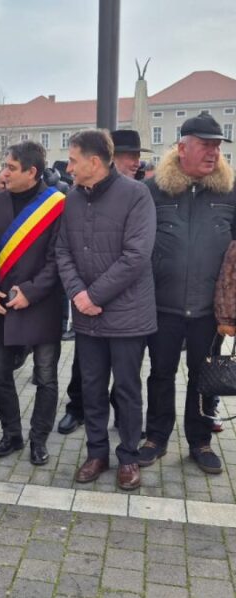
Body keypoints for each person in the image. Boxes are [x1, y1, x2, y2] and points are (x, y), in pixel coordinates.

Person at [56, 129, 157, 491]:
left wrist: (93, 295)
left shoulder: (136, 195)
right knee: (93, 387)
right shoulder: (71, 198)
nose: (68, 168)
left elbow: (136, 256)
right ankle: (96, 453)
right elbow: (63, 251)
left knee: (127, 389)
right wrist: (78, 294)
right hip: (87, 316)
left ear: (94, 162)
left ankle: (128, 457)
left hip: (128, 316)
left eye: (73, 160)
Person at [140, 112, 236, 475]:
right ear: (182, 147)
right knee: (161, 373)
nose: (213, 152)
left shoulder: (229, 192)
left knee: (204, 376)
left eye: (217, 145)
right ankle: (156, 437)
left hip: (210, 310)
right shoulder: (153, 190)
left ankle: (200, 441)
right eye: (206, 145)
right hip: (162, 306)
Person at [0, 141, 65, 465]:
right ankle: (11, 434)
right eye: (4, 167)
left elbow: (57, 260)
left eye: (11, 168)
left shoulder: (58, 204)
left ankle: (38, 439)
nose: (3, 174)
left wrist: (30, 291)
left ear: (32, 172)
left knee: (45, 377)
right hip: (3, 304)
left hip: (41, 305)